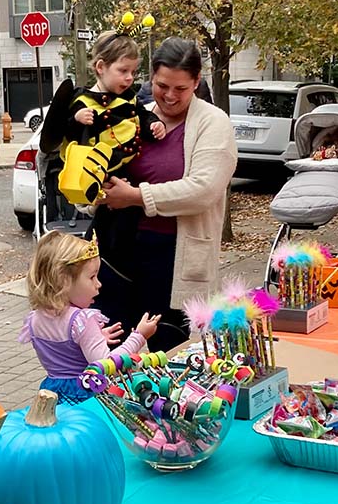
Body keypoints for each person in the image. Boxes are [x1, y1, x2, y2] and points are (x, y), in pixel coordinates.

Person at [93, 37, 238, 352]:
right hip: (121, 251)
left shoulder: (214, 123)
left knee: (172, 349)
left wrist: (134, 196)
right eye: (162, 86)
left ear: (196, 82)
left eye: (181, 88)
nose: (170, 96)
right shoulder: (134, 115)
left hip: (174, 256)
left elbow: (203, 189)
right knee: (112, 347)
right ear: (151, 77)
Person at [20, 232, 159, 404]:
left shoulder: (34, 319)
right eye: (92, 277)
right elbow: (108, 367)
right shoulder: (81, 321)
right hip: (86, 396)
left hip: (53, 395)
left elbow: (65, 350)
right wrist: (139, 337)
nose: (99, 284)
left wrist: (95, 337)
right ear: (64, 280)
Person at [44, 28, 165, 206]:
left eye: (133, 72)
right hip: (101, 178)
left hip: (132, 175)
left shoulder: (129, 97)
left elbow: (142, 116)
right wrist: (76, 120)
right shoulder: (82, 100)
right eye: (123, 71)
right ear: (101, 67)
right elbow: (69, 139)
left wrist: (154, 124)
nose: (130, 78)